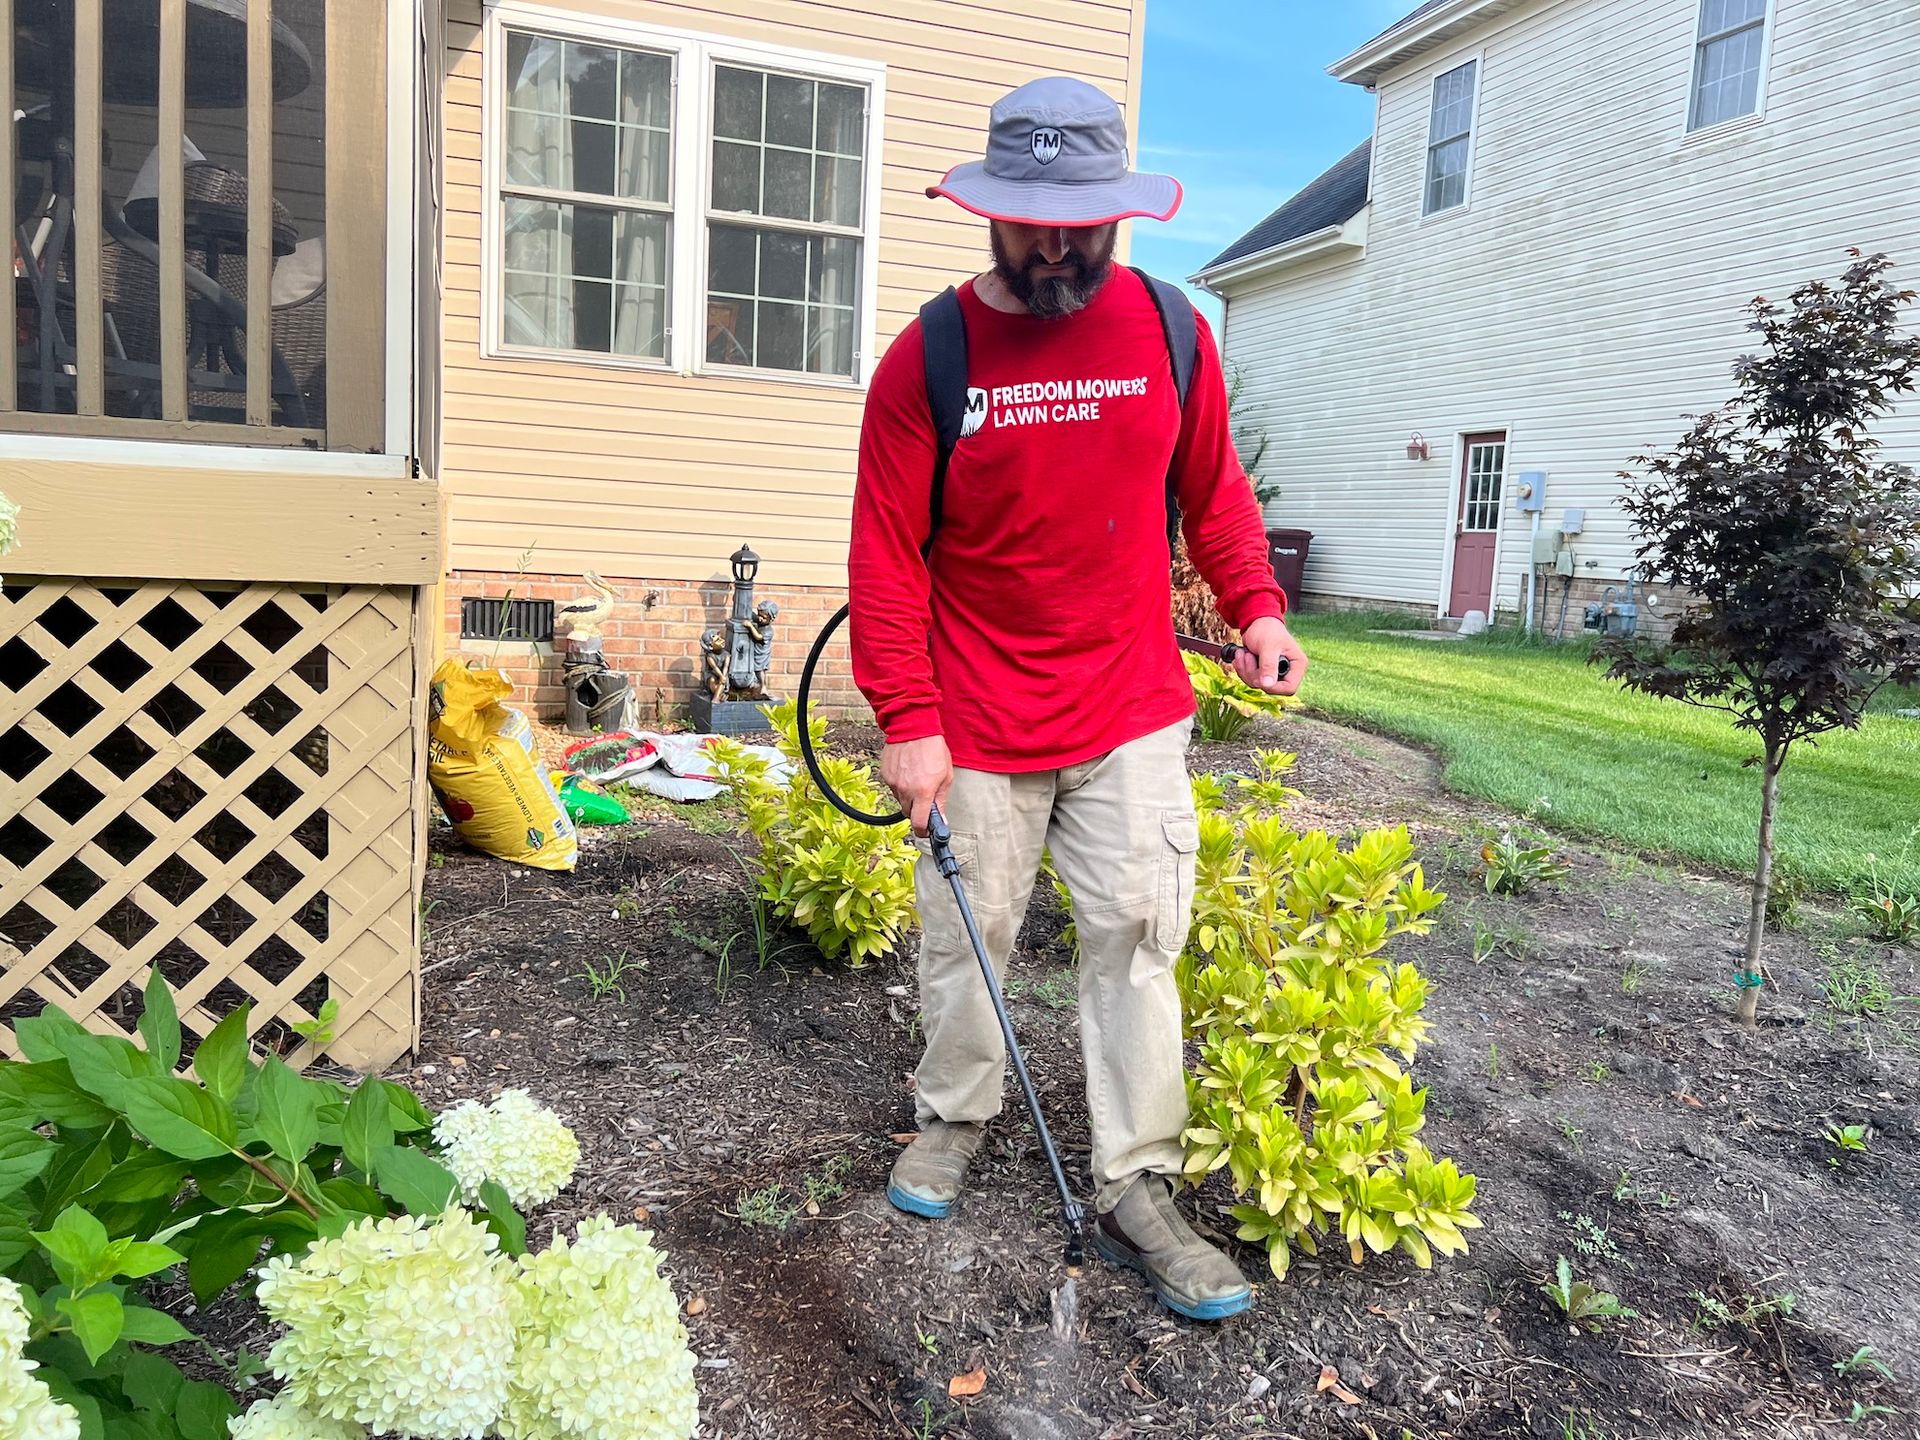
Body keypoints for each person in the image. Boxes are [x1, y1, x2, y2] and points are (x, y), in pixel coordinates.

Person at [847, 76, 1307, 1322]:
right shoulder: (928, 357)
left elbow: (1214, 493)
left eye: (1077, 224)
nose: (1053, 248)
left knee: (1138, 947)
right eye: (1029, 223)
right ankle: (952, 1118)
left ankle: (1138, 1181)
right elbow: (885, 556)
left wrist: (1255, 605)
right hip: (977, 720)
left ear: (1116, 215)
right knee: (969, 945)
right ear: (992, 213)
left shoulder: (1171, 331)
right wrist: (908, 718)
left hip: (1130, 712)